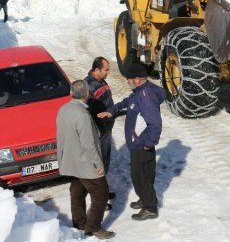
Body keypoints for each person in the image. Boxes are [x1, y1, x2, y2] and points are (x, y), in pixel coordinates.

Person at [97, 63, 166, 221]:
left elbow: (155, 124)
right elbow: (127, 102)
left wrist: (148, 143)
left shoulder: (145, 97)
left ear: (137, 79)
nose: (127, 81)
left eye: (129, 79)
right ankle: (145, 198)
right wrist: (111, 111)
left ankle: (150, 208)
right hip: (139, 144)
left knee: (141, 177)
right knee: (143, 175)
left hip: (141, 145)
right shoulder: (139, 92)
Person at [56, 80, 115, 240]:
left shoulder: (63, 109)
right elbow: (89, 144)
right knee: (101, 192)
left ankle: (80, 223)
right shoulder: (82, 115)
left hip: (71, 160)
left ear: (71, 94)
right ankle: (94, 227)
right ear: (87, 95)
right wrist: (98, 164)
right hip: (85, 162)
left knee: (77, 191)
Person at [85, 57, 117, 204]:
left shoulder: (100, 81)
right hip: (99, 131)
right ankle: (99, 200)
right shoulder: (89, 87)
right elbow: (86, 113)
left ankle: (103, 191)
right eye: (106, 69)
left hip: (106, 129)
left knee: (104, 162)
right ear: (96, 70)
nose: (108, 72)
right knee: (98, 165)